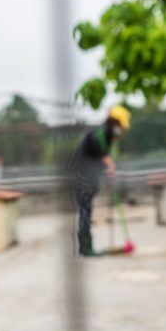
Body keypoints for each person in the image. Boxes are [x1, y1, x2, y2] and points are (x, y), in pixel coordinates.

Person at [70, 105, 130, 256]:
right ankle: (85, 248)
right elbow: (98, 150)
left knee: (87, 209)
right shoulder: (99, 134)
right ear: (114, 123)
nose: (122, 131)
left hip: (90, 177)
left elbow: (101, 157)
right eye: (121, 127)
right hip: (82, 176)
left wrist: (107, 166)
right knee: (85, 210)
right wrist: (108, 162)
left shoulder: (106, 136)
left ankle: (86, 247)